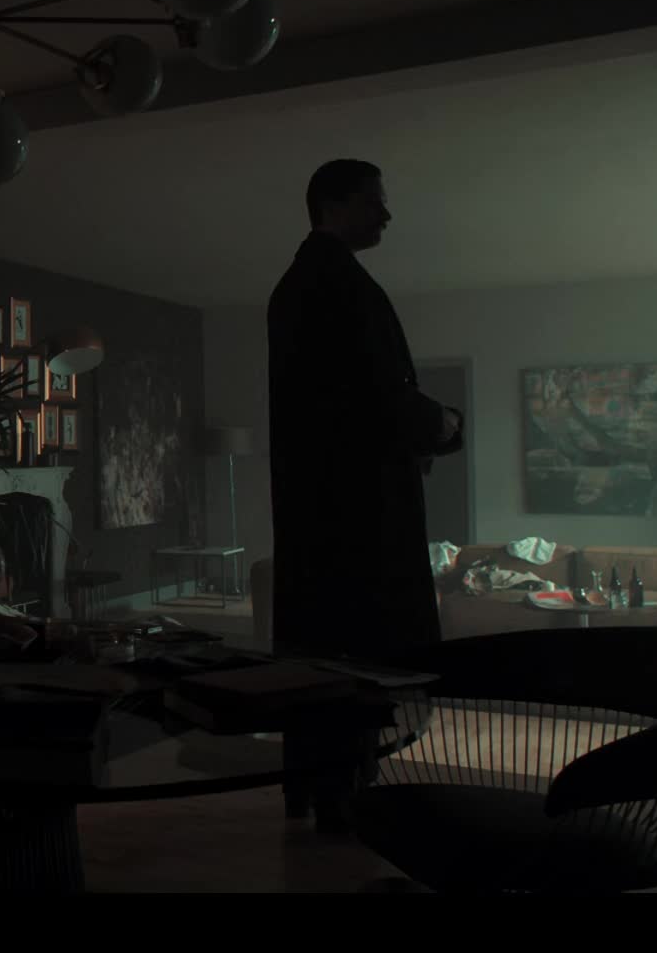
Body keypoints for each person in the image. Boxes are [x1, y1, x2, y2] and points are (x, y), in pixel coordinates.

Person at [267, 160, 462, 822]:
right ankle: (344, 799)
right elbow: (378, 394)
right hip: (356, 516)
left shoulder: (302, 284)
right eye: (374, 202)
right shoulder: (338, 285)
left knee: (323, 657)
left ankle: (323, 791)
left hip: (324, 511)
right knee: (355, 657)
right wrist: (444, 424)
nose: (386, 215)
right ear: (333, 205)